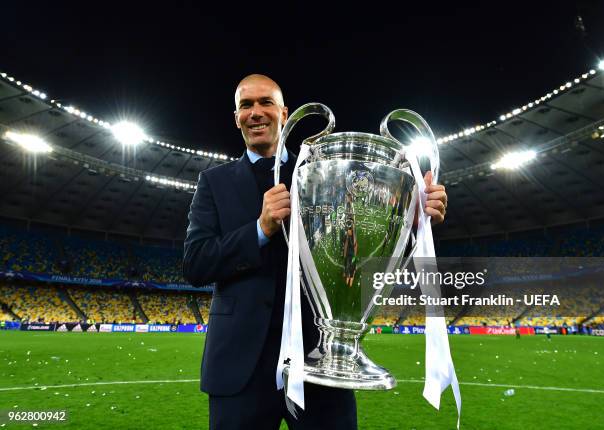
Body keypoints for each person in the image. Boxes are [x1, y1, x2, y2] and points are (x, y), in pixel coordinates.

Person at [183, 74, 448, 429]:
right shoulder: (213, 182)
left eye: (266, 103)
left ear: (285, 113)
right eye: (246, 105)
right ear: (236, 117)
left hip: (323, 364)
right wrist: (259, 230)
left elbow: (357, 248)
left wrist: (407, 216)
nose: (256, 112)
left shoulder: (322, 172)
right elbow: (196, 263)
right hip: (239, 370)